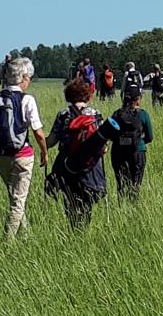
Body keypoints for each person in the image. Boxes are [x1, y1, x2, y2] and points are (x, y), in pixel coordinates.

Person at [0, 58, 48, 239]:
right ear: (24, 77)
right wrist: (44, 151)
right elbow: (38, 133)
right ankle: (6, 243)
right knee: (18, 201)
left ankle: (25, 237)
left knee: (15, 198)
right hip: (21, 155)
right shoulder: (27, 99)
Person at [46, 79, 107, 229]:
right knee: (87, 201)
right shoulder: (95, 114)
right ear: (87, 95)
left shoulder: (63, 114)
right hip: (91, 164)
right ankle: (84, 227)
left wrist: (41, 143)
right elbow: (104, 147)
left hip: (67, 164)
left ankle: (73, 227)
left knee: (70, 199)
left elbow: (51, 141)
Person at [110, 86, 153, 202]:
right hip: (138, 151)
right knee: (136, 183)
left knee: (121, 184)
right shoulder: (143, 115)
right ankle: (133, 206)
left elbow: (110, 134)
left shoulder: (116, 114)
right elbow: (150, 137)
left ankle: (121, 207)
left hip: (118, 153)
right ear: (138, 99)